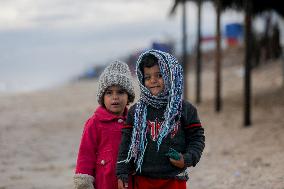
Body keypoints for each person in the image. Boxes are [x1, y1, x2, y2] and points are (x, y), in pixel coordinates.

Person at [116, 49, 205, 189]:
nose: (153, 81)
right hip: (143, 178)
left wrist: (186, 159)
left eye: (159, 75)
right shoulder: (136, 112)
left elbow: (197, 138)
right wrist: (122, 172)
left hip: (174, 179)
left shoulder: (185, 109)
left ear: (171, 75)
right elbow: (126, 144)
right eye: (147, 77)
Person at [73, 61, 135, 189]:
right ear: (102, 97)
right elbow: (85, 156)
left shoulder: (134, 121)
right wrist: (83, 184)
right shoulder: (95, 123)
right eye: (109, 93)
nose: (115, 97)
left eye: (120, 92)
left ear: (128, 96)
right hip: (104, 184)